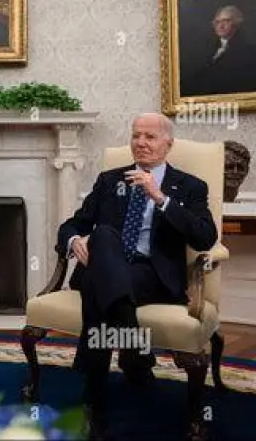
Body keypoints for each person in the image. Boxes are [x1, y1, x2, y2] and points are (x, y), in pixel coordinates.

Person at [56, 113, 217, 437]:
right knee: (103, 236)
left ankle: (93, 402)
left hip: (151, 274)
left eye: (150, 137)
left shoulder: (190, 186)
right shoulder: (109, 180)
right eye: (136, 135)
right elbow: (72, 224)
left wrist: (161, 199)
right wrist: (74, 241)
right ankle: (134, 352)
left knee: (99, 287)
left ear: (168, 145)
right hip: (106, 265)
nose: (140, 143)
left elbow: (205, 237)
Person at [182, 5, 256, 96]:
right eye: (217, 22)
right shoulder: (207, 49)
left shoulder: (251, 51)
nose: (220, 26)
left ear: (237, 23)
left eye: (226, 21)